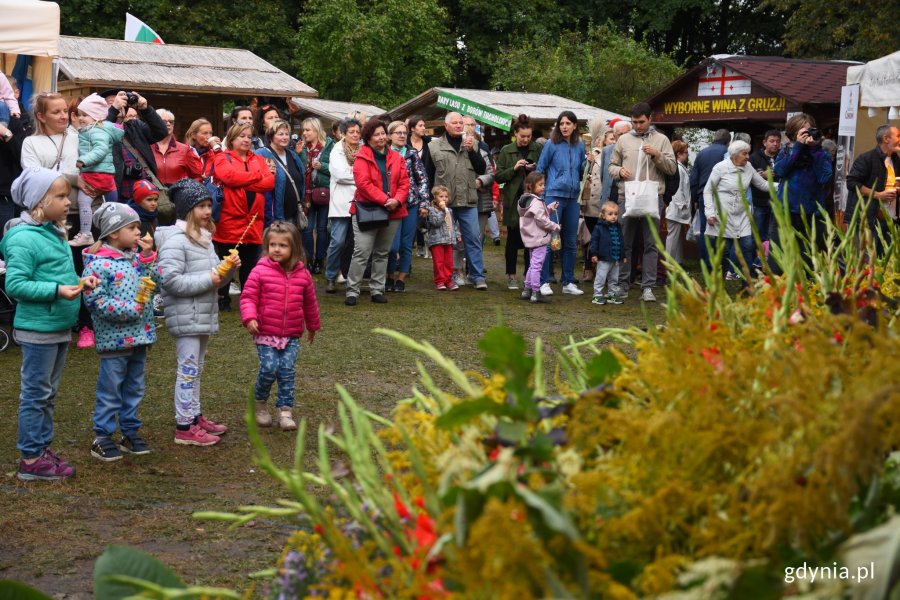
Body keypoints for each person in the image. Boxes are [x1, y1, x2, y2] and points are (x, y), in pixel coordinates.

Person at [0, 167, 99, 480]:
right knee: (36, 395)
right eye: (59, 196)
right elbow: (15, 285)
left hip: (58, 326)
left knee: (48, 394)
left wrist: (80, 282)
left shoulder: (54, 232)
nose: (68, 201)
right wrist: (57, 291)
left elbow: (58, 276)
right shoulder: (24, 239)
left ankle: (41, 449)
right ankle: (30, 459)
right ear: (38, 202)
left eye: (66, 194)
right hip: (38, 329)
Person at [156, 178, 238, 446]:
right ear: (187, 210)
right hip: (185, 315)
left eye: (208, 205)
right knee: (188, 369)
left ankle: (194, 415)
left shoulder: (204, 239)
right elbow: (170, 281)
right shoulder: (175, 242)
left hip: (201, 313)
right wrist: (211, 279)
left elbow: (217, 277)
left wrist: (228, 270)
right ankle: (184, 425)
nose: (207, 211)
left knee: (197, 368)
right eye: (201, 206)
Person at [22, 92, 100, 349]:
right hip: (47, 217)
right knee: (57, 270)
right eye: (55, 112)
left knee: (84, 269)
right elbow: (36, 177)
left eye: (65, 111)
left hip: (82, 215)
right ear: (40, 116)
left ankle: (87, 324)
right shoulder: (31, 143)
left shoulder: (78, 136)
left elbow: (94, 165)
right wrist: (75, 178)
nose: (63, 116)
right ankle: (61, 320)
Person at [82, 203, 158, 461]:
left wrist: (149, 259)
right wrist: (130, 309)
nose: (139, 232)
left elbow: (154, 283)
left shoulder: (135, 259)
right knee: (111, 389)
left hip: (140, 336)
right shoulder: (97, 265)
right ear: (114, 232)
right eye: (132, 227)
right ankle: (102, 437)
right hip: (114, 341)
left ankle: (130, 431)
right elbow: (96, 302)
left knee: (135, 387)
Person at [240, 221, 320, 431]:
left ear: (294, 247)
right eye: (272, 244)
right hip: (265, 331)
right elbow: (248, 297)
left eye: (283, 245)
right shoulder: (259, 271)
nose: (277, 249)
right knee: (269, 368)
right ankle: (260, 403)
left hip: (291, 334)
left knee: (286, 371)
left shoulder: (303, 274)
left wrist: (312, 326)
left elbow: (310, 303)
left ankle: (285, 410)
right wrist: (250, 317)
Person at [608, 102, 676, 303]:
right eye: (634, 122)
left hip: (653, 198)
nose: (637, 126)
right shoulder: (623, 140)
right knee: (625, 243)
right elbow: (612, 166)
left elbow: (672, 169)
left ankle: (648, 286)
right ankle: (623, 284)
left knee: (650, 244)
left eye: (641, 122)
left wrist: (656, 155)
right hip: (626, 197)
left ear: (650, 119)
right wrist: (619, 171)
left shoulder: (662, 140)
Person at [344, 119, 410, 306]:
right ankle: (352, 290)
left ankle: (377, 290)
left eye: (383, 133)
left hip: (394, 210)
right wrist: (384, 200)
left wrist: (396, 200)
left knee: (382, 252)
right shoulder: (361, 157)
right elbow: (363, 185)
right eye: (377, 134)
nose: (381, 137)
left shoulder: (397, 157)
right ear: (369, 137)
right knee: (362, 251)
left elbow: (405, 182)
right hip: (368, 210)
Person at [211, 123, 276, 311]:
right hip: (229, 220)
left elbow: (269, 182)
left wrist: (240, 181)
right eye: (242, 136)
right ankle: (222, 298)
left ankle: (248, 299)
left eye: (249, 136)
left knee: (250, 264)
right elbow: (228, 177)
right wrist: (257, 176)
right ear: (232, 139)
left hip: (254, 221)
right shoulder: (223, 158)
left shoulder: (258, 159)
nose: (246, 139)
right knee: (226, 263)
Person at [425, 112, 488, 289]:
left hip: (468, 201)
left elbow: (482, 169)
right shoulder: (434, 146)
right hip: (445, 204)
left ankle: (477, 276)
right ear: (446, 126)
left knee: (473, 240)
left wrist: (472, 151)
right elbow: (428, 176)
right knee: (447, 242)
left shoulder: (472, 143)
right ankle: (448, 276)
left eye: (461, 123)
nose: (459, 125)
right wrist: (430, 203)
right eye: (455, 123)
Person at [535, 110, 587, 297]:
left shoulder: (580, 145)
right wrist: (541, 194)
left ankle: (568, 281)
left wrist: (587, 163)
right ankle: (544, 281)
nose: (564, 126)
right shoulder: (551, 144)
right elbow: (540, 169)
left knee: (571, 241)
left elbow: (582, 170)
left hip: (573, 197)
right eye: (561, 123)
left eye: (568, 123)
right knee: (549, 240)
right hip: (554, 196)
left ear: (574, 126)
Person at [704, 141, 770, 280]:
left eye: (748, 153)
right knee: (724, 250)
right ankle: (719, 281)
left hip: (742, 214)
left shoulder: (748, 167)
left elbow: (763, 184)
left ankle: (746, 284)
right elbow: (708, 190)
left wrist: (783, 187)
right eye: (744, 153)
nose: (747, 157)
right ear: (734, 155)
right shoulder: (720, 167)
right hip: (722, 214)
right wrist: (709, 212)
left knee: (747, 245)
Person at [773, 113, 833, 261]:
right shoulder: (787, 151)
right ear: (794, 134)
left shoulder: (821, 153)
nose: (808, 135)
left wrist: (814, 149)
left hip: (813, 212)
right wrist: (798, 148)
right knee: (784, 256)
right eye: (804, 132)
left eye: (811, 130)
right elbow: (779, 171)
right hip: (787, 211)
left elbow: (825, 177)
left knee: (809, 257)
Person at [494, 114, 542, 290]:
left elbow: (544, 171)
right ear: (515, 133)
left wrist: (534, 169)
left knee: (532, 240)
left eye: (529, 136)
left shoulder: (537, 148)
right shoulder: (507, 150)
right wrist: (514, 169)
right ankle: (511, 276)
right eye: (522, 136)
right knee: (513, 241)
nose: (526, 139)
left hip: (533, 202)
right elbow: (497, 176)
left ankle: (528, 276)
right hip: (514, 202)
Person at [71, 94, 125, 247]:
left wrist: (84, 160)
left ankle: (86, 233)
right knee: (111, 207)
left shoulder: (95, 131)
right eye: (79, 114)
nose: (81, 118)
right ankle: (112, 234)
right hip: (107, 175)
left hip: (95, 173)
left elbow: (100, 150)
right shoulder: (99, 129)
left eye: (85, 115)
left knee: (83, 202)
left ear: (96, 116)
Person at [100, 90, 168, 205]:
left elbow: (161, 132)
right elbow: (102, 135)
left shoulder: (134, 126)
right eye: (112, 102)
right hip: (120, 195)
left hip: (146, 194)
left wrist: (146, 110)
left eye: (121, 101)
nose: (119, 104)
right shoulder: (97, 130)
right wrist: (113, 110)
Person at [385, 120, 429, 292]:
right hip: (391, 205)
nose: (402, 135)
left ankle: (401, 278)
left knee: (405, 245)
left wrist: (424, 203)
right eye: (398, 133)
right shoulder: (385, 154)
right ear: (389, 136)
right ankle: (389, 275)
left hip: (411, 204)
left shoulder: (412, 153)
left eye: (404, 133)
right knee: (391, 245)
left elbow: (423, 179)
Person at [846, 125, 900, 254]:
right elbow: (852, 183)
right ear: (886, 139)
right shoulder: (867, 158)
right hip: (870, 220)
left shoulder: (896, 160)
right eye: (898, 136)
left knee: (888, 262)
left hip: (892, 220)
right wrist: (877, 195)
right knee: (869, 261)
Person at [324, 118, 361, 293]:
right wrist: (361, 177)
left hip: (360, 202)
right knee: (337, 242)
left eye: (357, 132)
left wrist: (356, 176)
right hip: (340, 204)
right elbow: (339, 175)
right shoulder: (336, 150)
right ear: (343, 134)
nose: (355, 135)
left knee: (356, 244)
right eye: (351, 132)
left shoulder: (364, 150)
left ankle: (351, 277)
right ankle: (331, 276)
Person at [689, 128, 731, 268]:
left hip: (703, 195)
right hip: (722, 196)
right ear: (728, 141)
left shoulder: (702, 153)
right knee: (724, 229)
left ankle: (706, 263)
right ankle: (721, 262)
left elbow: (693, 178)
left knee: (704, 230)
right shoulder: (727, 153)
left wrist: (694, 198)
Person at [298, 117, 333, 274]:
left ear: (317, 130)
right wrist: (299, 154)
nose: (304, 133)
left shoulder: (329, 147)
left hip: (324, 193)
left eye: (308, 130)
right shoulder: (302, 148)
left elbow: (336, 169)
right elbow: (298, 170)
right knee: (307, 228)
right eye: (303, 130)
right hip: (307, 196)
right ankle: (309, 259)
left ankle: (319, 259)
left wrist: (322, 166)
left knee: (322, 229)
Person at [517, 171, 559, 304]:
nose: (543, 187)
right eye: (540, 184)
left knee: (532, 265)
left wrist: (549, 209)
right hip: (539, 238)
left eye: (544, 184)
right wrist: (555, 226)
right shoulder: (536, 202)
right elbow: (542, 219)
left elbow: (535, 214)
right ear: (530, 186)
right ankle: (536, 291)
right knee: (536, 266)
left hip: (529, 237)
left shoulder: (524, 199)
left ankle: (527, 289)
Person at [256, 119, 305, 228]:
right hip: (273, 216)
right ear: (271, 136)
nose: (285, 137)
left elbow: (301, 178)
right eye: (280, 134)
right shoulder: (261, 154)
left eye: (287, 134)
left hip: (294, 212)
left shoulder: (293, 155)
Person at [583, 128, 617, 282]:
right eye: (611, 138)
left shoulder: (619, 155)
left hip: (609, 204)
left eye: (616, 138)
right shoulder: (595, 154)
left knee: (606, 237)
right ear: (605, 140)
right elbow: (584, 175)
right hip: (593, 202)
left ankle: (604, 270)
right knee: (591, 237)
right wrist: (588, 162)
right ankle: (589, 268)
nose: (614, 141)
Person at [748, 129, 782, 248]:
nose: (775, 144)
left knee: (773, 235)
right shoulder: (754, 158)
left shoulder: (783, 157)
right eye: (772, 141)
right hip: (759, 202)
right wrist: (761, 176)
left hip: (777, 202)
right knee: (756, 234)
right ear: (764, 142)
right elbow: (747, 179)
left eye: (778, 141)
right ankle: (754, 262)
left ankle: (770, 263)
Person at [423, 185, 461, 290]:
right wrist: (443, 212)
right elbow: (436, 223)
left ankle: (448, 280)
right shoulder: (431, 210)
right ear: (435, 197)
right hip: (437, 241)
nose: (444, 199)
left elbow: (453, 224)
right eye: (441, 196)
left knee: (449, 262)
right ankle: (440, 281)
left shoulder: (450, 210)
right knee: (439, 262)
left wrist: (457, 234)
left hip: (448, 240)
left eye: (446, 196)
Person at [151, 109, 202, 187]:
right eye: (164, 121)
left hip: (177, 196)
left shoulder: (184, 149)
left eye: (171, 122)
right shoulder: (147, 147)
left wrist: (187, 190)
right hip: (153, 196)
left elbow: (197, 177)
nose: (168, 124)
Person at [589, 201, 624, 305]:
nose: (613, 216)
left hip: (616, 258)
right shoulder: (599, 228)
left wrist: (623, 255)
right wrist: (594, 254)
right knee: (601, 277)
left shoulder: (618, 227)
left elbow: (621, 241)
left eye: (616, 214)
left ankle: (612, 294)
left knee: (614, 278)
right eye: (610, 214)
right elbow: (594, 241)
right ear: (603, 215)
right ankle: (597, 295)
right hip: (603, 258)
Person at [407, 115, 432, 259]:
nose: (424, 128)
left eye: (424, 125)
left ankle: (424, 246)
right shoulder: (405, 144)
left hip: (424, 185)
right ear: (412, 128)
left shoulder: (428, 143)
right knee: (410, 221)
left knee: (424, 216)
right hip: (409, 187)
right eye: (421, 125)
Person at [664, 140, 691, 264]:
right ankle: (669, 264)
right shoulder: (677, 168)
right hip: (676, 207)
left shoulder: (680, 167)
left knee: (678, 236)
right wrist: (682, 205)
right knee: (673, 237)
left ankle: (678, 262)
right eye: (685, 152)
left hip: (678, 207)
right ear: (678, 154)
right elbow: (677, 189)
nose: (688, 155)